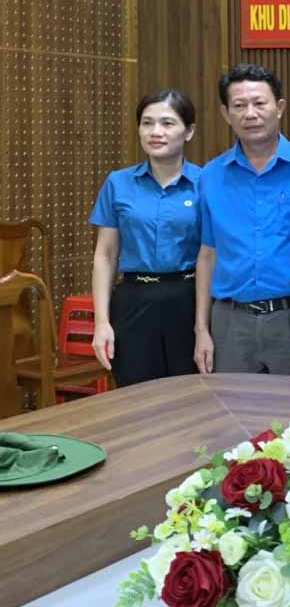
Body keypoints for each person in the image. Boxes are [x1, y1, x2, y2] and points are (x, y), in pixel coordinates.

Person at [194, 64, 290, 376]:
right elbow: (207, 254)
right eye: (239, 106)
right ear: (226, 114)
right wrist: (202, 329)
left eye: (259, 103)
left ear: (279, 108)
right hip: (230, 322)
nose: (250, 114)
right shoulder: (211, 176)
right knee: (234, 418)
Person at [89, 89, 201, 386]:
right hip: (133, 301)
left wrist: (204, 325)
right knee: (136, 397)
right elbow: (105, 255)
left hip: (189, 298)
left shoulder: (206, 183)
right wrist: (101, 322)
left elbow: (213, 253)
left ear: (188, 131)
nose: (156, 132)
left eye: (167, 123)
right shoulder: (118, 183)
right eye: (147, 123)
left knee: (191, 395)